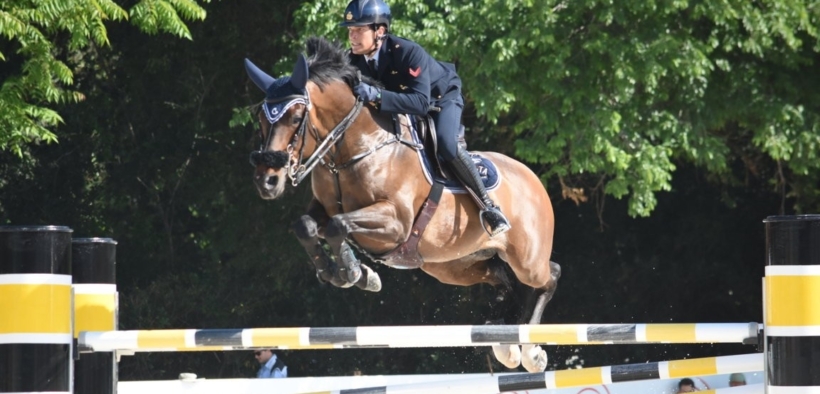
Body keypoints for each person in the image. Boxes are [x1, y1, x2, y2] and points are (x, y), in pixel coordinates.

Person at [340, 0, 511, 236]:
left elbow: (420, 103)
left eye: (359, 29)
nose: (352, 36)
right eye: (350, 30)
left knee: (446, 143)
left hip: (440, 99)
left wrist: (377, 95)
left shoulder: (407, 52)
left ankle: (489, 207)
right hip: (401, 103)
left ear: (380, 30)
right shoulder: (352, 59)